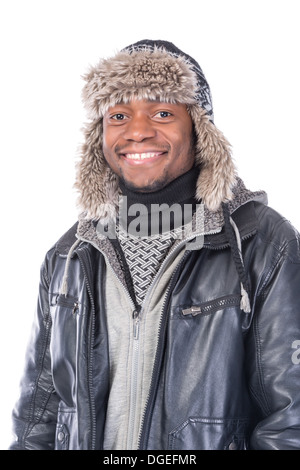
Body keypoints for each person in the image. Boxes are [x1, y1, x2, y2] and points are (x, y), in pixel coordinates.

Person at [9, 39, 300, 451]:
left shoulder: (262, 244)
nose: (138, 130)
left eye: (163, 112)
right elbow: (37, 420)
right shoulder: (70, 255)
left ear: (199, 128)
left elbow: (291, 423)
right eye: (119, 114)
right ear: (101, 134)